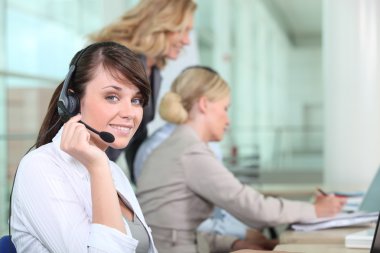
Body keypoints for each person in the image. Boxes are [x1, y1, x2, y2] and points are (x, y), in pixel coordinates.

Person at [136, 66, 347, 253]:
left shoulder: (176, 145)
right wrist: (315, 210)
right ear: (204, 105)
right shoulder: (189, 152)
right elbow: (253, 208)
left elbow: (175, 231)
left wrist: (233, 244)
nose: (228, 120)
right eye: (225, 108)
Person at [10, 42, 158, 253]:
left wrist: (100, 166)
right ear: (73, 100)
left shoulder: (113, 171)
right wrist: (98, 167)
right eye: (112, 97)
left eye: (136, 100)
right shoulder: (40, 167)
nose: (130, 112)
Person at [90, 0, 197, 184]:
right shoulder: (119, 62)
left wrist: (143, 180)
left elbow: (137, 132)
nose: (187, 41)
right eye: (183, 30)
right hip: (86, 168)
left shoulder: (152, 69)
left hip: (102, 170)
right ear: (162, 24)